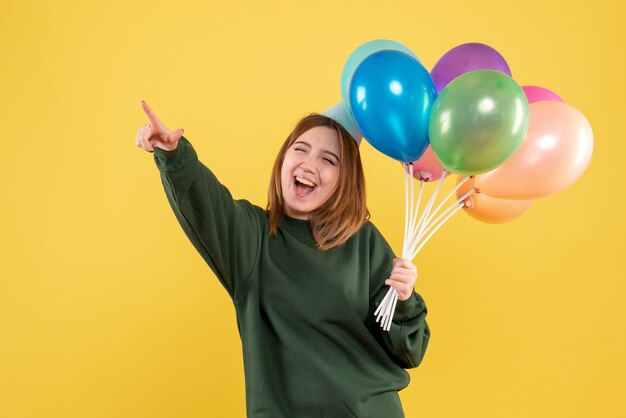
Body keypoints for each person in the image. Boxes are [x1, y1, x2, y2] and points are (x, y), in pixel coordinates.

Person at [135, 100, 430, 418]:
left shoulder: (363, 240)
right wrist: (173, 155)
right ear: (283, 159)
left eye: (328, 159)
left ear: (345, 180)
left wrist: (404, 298)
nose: (308, 164)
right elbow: (204, 202)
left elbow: (409, 350)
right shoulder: (253, 237)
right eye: (300, 149)